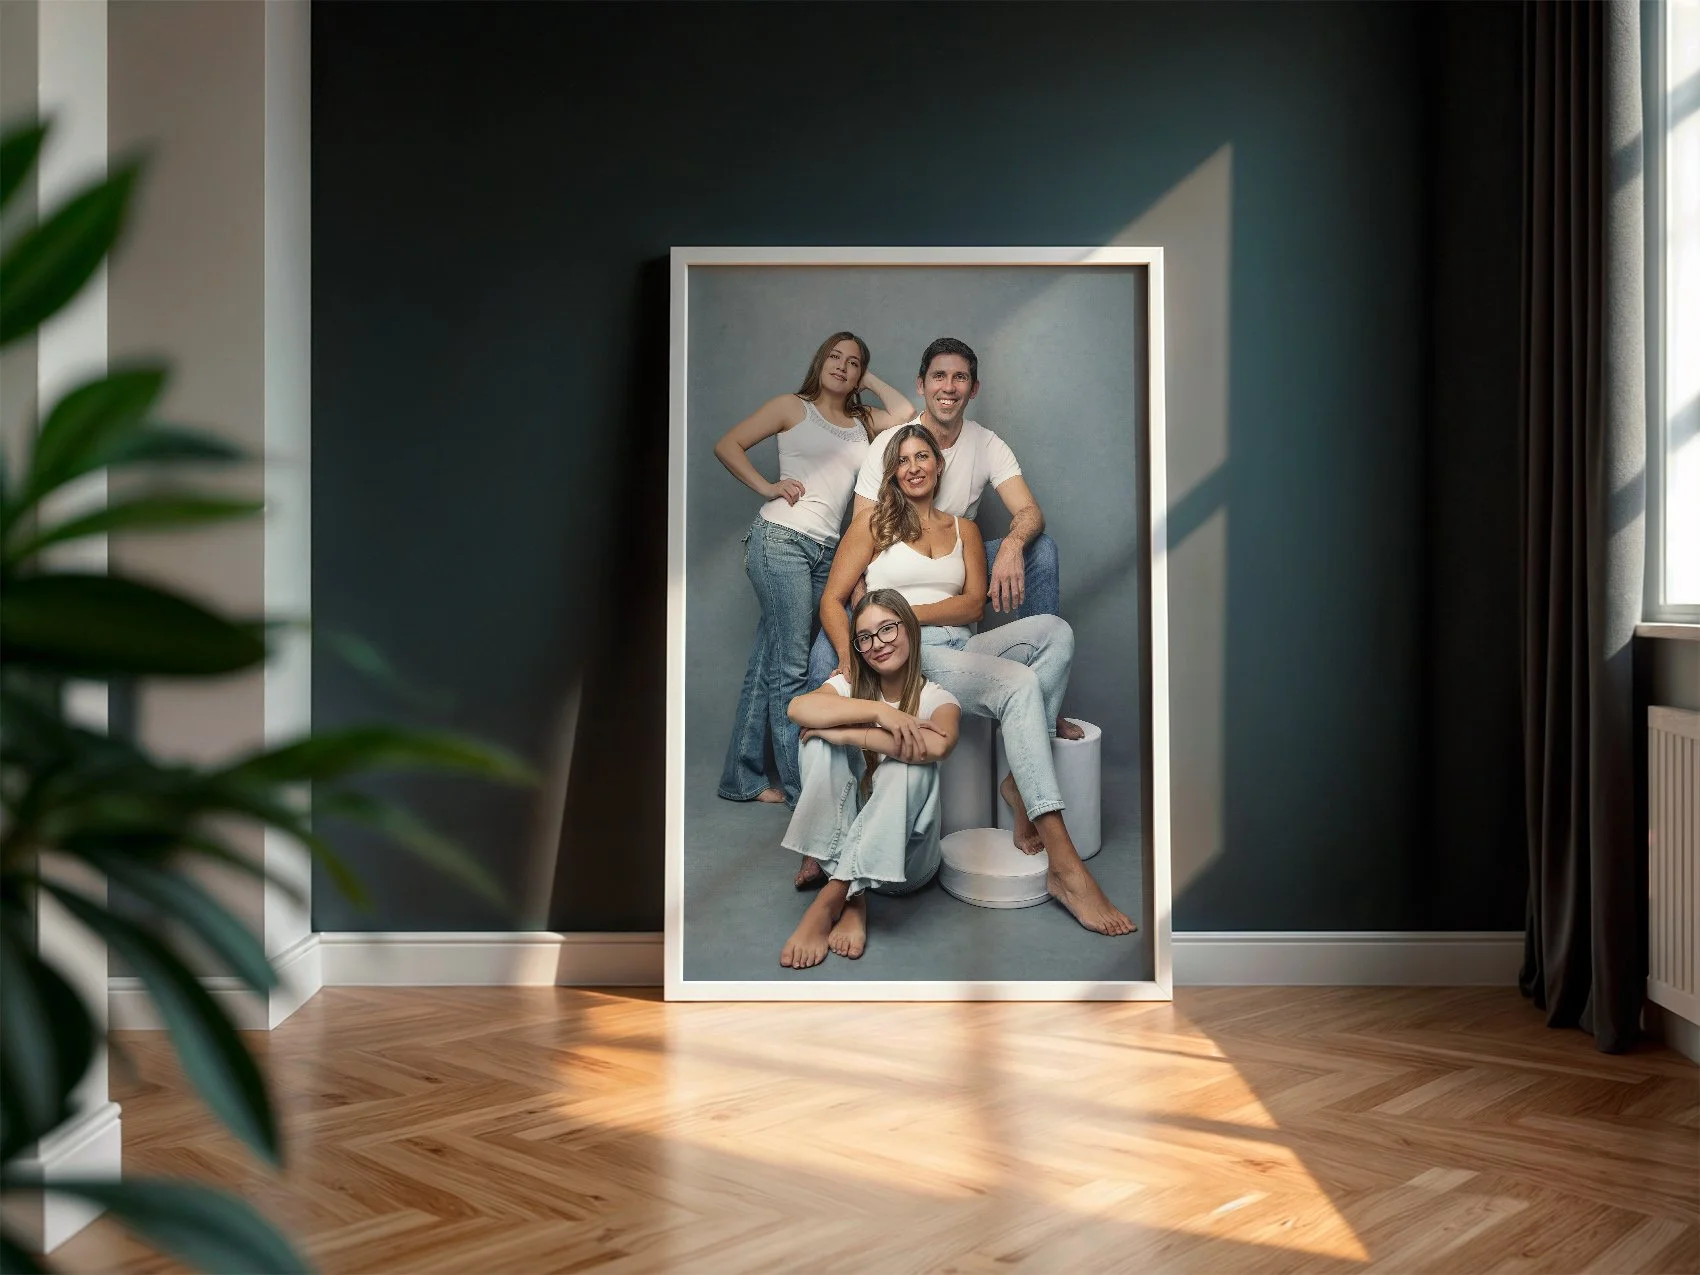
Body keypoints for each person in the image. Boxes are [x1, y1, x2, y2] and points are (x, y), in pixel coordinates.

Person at [812, 422, 1136, 938]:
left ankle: (1018, 784)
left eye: (923, 457)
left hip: (963, 645)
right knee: (1017, 684)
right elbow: (833, 599)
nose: (914, 467)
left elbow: (971, 606)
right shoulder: (873, 525)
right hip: (914, 656)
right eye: (903, 460)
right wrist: (852, 659)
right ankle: (1065, 865)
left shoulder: (963, 530)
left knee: (1055, 632)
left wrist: (903, 611)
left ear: (939, 465)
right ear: (892, 473)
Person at [805, 337, 1080, 744]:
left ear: (974, 388)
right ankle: (820, 766)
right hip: (890, 575)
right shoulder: (891, 444)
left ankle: (1042, 700)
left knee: (1040, 549)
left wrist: (1010, 546)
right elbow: (862, 537)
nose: (948, 387)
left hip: (956, 561)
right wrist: (869, 614)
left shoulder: (987, 444)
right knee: (823, 661)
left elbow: (1029, 512)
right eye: (938, 376)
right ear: (921, 384)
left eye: (960, 378)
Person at [713, 332, 914, 808]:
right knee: (791, 666)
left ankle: (740, 778)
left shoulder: (863, 421)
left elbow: (905, 413)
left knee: (769, 658)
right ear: (820, 361)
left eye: (853, 363)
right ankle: (803, 794)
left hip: (826, 552)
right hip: (780, 540)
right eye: (835, 357)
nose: (842, 367)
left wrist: (869, 379)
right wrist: (766, 486)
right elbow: (728, 444)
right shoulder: (792, 406)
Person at [778, 589, 961, 968]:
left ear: (909, 629)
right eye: (865, 637)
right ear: (858, 648)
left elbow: (937, 746)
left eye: (888, 629)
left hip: (906, 865)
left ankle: (830, 899)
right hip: (843, 848)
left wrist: (849, 733)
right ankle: (853, 896)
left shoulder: (936, 697)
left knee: (909, 760)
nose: (878, 644)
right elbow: (798, 707)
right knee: (816, 743)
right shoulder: (849, 688)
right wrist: (880, 713)